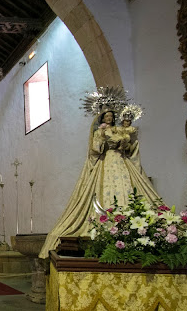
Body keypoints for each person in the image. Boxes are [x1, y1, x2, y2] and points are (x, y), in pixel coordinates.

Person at [39, 101, 161, 259]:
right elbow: (94, 149)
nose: (109, 118)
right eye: (107, 116)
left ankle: (128, 220)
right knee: (103, 189)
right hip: (106, 162)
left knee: (129, 187)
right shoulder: (99, 132)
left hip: (122, 162)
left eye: (111, 116)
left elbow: (130, 148)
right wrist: (103, 139)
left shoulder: (119, 130)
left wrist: (124, 143)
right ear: (102, 117)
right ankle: (105, 221)